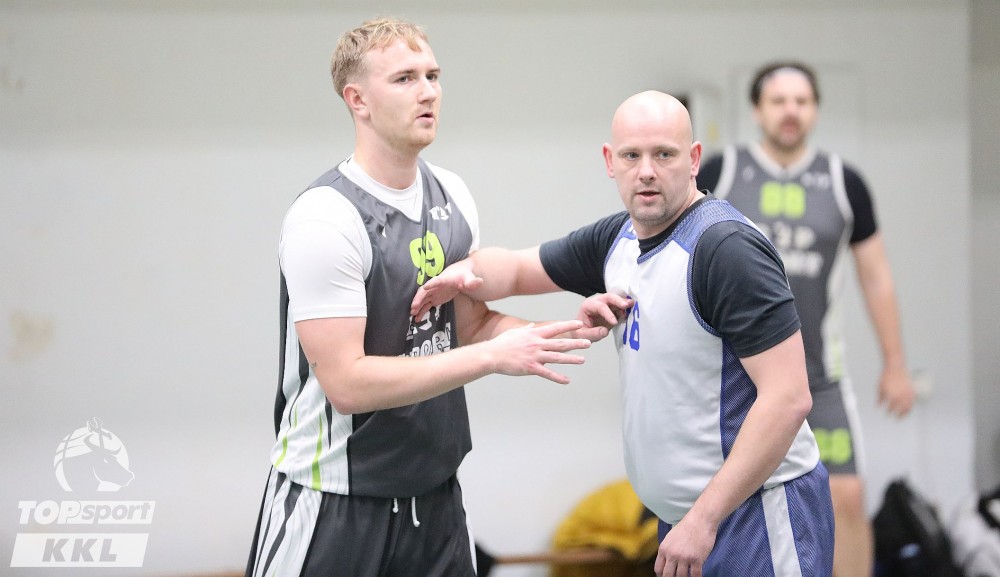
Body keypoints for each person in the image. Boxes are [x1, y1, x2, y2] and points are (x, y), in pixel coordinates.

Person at [412, 90, 835, 576]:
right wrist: (459, 274)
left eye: (664, 154)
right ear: (610, 161)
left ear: (694, 159)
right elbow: (514, 268)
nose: (646, 171)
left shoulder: (725, 249)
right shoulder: (619, 239)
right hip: (686, 520)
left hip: (754, 515)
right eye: (632, 156)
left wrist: (703, 520)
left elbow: (788, 399)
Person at [244, 17, 599, 577]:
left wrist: (558, 331)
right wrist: (491, 358)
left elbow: (469, 326)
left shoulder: (452, 193)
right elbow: (347, 384)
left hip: (434, 497)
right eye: (405, 78)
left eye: (433, 75)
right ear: (357, 100)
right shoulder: (326, 217)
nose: (428, 91)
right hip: (335, 500)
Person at [696, 61, 916, 577]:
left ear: (815, 109)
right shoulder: (719, 174)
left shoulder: (844, 183)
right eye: (778, 101)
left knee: (847, 497)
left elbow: (876, 278)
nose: (790, 111)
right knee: (727, 508)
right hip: (735, 382)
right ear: (757, 110)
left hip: (820, 379)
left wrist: (895, 364)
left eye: (801, 101)